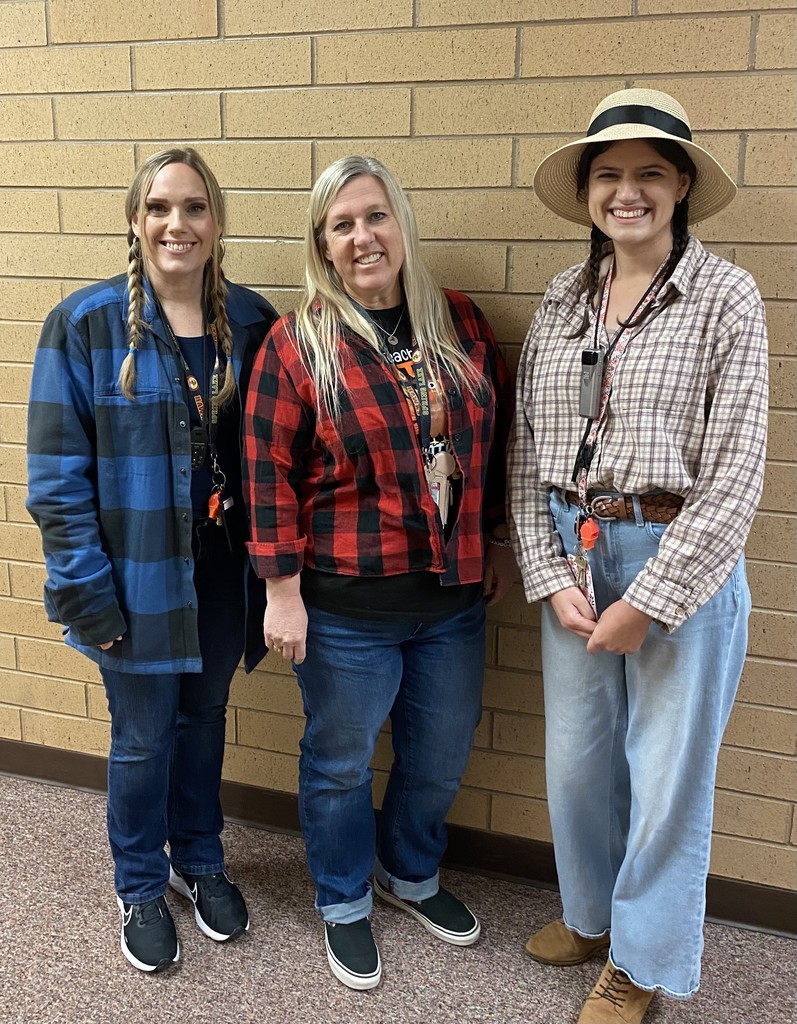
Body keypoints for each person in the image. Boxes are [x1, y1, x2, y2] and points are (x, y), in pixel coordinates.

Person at [508, 89, 768, 1023]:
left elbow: (737, 473)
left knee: (663, 775)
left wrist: (650, 599)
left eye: (649, 173)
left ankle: (644, 962)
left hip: (677, 559)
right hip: (574, 553)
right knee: (578, 761)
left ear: (682, 186)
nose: (628, 191)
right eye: (609, 174)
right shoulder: (563, 298)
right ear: (586, 191)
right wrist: (548, 572)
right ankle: (589, 918)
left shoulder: (724, 298)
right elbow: (527, 447)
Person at [244, 156, 515, 990]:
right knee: (340, 760)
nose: (362, 237)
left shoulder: (461, 323)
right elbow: (264, 472)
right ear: (322, 245)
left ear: (400, 223)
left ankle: (408, 874)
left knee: (437, 754)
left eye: (374, 217)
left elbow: (499, 444)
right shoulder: (299, 341)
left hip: (451, 599)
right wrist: (280, 592)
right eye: (341, 225)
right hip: (344, 609)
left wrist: (497, 539)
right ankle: (341, 900)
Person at [26, 148, 278, 974]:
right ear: (136, 221)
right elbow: (58, 481)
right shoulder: (85, 324)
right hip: (133, 580)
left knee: (204, 721)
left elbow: (275, 457)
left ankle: (198, 858)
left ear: (216, 220)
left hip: (221, 574)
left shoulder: (252, 321)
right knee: (142, 738)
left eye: (196, 207)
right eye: (161, 208)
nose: (179, 224)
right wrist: (85, 598)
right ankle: (138, 880)